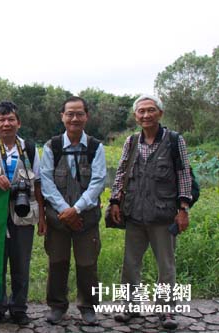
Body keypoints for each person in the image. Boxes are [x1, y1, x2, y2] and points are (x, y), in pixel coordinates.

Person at [109, 95, 191, 330]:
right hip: (134, 213)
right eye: (141, 111)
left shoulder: (175, 141)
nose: (146, 115)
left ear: (160, 113)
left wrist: (183, 208)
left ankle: (166, 310)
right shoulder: (131, 141)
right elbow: (121, 172)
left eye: (151, 110)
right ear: (136, 116)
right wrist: (115, 201)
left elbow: (184, 175)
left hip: (164, 215)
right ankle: (130, 306)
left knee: (166, 265)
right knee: (130, 264)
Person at [0, 101, 45, 326]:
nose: (6, 124)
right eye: (1, 120)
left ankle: (19, 308)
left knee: (21, 265)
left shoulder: (30, 149)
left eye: (11, 119)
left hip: (23, 216)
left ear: (18, 123)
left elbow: (39, 185)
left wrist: (42, 217)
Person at [40, 96, 106, 326]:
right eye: (70, 113)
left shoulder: (96, 147)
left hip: (86, 219)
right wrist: (65, 211)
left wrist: (76, 210)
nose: (74, 118)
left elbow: (98, 182)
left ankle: (88, 307)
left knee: (87, 263)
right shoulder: (52, 146)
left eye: (79, 113)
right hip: (58, 219)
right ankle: (57, 306)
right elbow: (45, 182)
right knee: (57, 262)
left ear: (86, 116)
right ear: (62, 116)